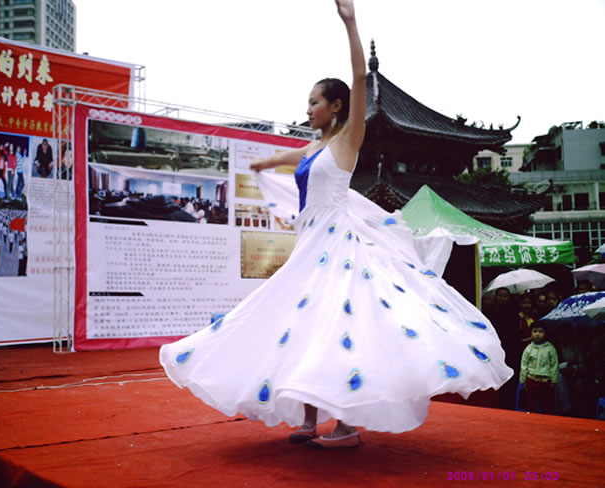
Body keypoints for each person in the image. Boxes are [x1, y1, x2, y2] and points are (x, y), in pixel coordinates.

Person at [160, 0, 512, 449]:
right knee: (304, 324)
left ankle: (345, 427)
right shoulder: (314, 148)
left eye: (314, 102)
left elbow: (360, 78)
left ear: (336, 106)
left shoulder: (349, 140)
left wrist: (350, 23)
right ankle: (309, 420)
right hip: (310, 245)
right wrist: (263, 163)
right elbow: (293, 156)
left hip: (339, 246)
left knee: (338, 325)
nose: (308, 109)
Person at [520, 321, 559, 414]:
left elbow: (554, 365)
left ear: (546, 333)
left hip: (545, 381)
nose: (537, 334)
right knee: (531, 405)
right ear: (531, 333)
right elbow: (524, 365)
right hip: (531, 379)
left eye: (541, 332)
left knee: (547, 405)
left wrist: (554, 380)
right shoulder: (529, 349)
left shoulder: (550, 348)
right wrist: (523, 380)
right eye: (535, 331)